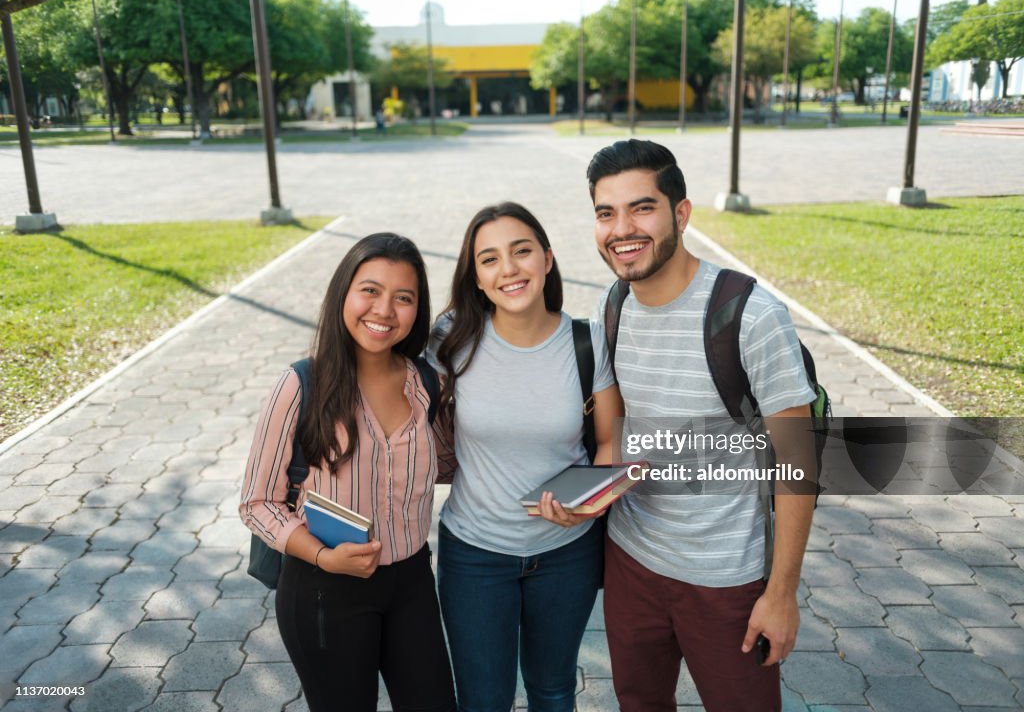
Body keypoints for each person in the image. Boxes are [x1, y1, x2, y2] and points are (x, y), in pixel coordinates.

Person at [581, 140, 817, 712]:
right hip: (632, 564)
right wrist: (584, 497)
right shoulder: (610, 310)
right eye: (605, 213)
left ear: (680, 214)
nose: (622, 229)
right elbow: (620, 442)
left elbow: (798, 464)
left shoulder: (753, 316)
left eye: (642, 208)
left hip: (726, 578)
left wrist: (781, 593)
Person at [240, 233, 455, 712]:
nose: (384, 310)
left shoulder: (428, 384)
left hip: (412, 582)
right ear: (344, 293)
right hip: (324, 587)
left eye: (405, 298)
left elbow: (445, 464)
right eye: (370, 290)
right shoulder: (301, 384)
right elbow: (257, 504)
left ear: (417, 311)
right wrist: (322, 556)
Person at [428, 202, 623, 712]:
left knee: (554, 690)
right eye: (489, 259)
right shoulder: (451, 339)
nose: (509, 269)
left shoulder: (585, 341)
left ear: (548, 259)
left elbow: (609, 440)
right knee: (483, 700)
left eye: (521, 252)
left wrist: (590, 503)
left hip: (567, 552)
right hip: (474, 554)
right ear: (475, 278)